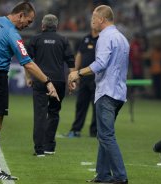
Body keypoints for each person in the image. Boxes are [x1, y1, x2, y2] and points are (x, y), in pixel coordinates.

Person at [0, 2, 59, 180]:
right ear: (20, 15)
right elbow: (27, 63)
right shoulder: (12, 33)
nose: (29, 24)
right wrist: (47, 81)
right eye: (28, 20)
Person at [69, 5, 129, 184]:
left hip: (106, 92)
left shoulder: (105, 37)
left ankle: (120, 177)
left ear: (101, 20)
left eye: (93, 18)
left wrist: (77, 73)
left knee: (106, 135)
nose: (91, 21)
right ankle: (103, 175)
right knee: (104, 134)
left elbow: (100, 63)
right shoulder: (122, 38)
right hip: (119, 92)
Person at [26, 14, 75, 156]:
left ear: (43, 25)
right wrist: (72, 81)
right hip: (59, 81)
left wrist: (29, 77)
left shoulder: (35, 39)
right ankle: (50, 147)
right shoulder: (63, 40)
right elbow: (70, 62)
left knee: (40, 114)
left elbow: (27, 60)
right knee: (54, 113)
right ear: (56, 26)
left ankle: (39, 149)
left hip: (41, 81)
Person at [65, 27, 99, 138]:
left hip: (97, 79)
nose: (93, 23)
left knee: (97, 106)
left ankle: (95, 132)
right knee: (80, 104)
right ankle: (76, 130)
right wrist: (75, 72)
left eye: (95, 21)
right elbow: (79, 55)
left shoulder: (103, 39)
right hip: (84, 78)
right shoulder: (85, 38)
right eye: (92, 21)